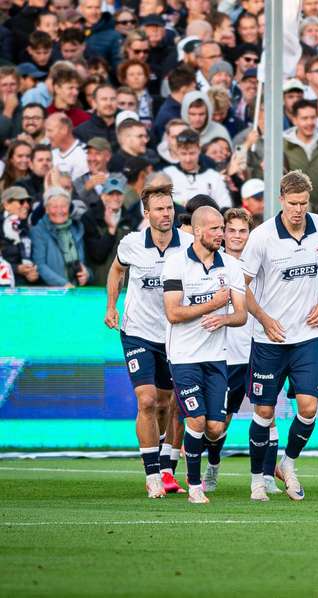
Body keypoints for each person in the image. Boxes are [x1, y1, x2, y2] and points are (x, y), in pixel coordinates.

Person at [240, 170, 318, 502]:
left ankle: (288, 464)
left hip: (308, 336)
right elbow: (243, 286)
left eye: (304, 203)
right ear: (281, 200)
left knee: (308, 407)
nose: (298, 210)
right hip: (270, 340)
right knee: (264, 413)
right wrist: (264, 318)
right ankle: (256, 480)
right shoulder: (262, 237)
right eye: (293, 203)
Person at [103, 181, 193, 498]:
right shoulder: (131, 244)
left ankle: (166, 468)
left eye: (169, 207)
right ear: (147, 213)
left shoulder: (190, 245)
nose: (166, 213)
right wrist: (111, 305)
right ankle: (153, 474)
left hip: (173, 335)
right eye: (159, 209)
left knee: (167, 404)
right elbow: (116, 271)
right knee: (147, 400)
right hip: (138, 330)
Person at [161, 206, 247, 504]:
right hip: (184, 357)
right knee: (196, 420)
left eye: (222, 228)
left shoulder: (231, 267)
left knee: (215, 427)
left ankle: (198, 461)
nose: (221, 234)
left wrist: (224, 318)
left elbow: (241, 315)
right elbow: (173, 313)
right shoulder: (175, 264)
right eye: (215, 229)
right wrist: (212, 304)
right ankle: (195, 485)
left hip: (216, 358)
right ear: (198, 231)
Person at [203, 207, 281, 496]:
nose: (236, 236)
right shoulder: (214, 264)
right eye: (231, 230)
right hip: (227, 355)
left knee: (267, 411)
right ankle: (212, 465)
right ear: (223, 234)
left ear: (251, 234)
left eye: (242, 231)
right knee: (218, 424)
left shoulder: (262, 261)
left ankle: (266, 475)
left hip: (260, 350)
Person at [282, 99, 318, 211]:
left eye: (313, 118)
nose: (310, 122)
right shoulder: (283, 146)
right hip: (293, 210)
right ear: (295, 120)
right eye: (304, 118)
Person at [82, 174, 137, 286]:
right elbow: (97, 255)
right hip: (99, 285)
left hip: (126, 286)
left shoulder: (131, 219)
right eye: (110, 194)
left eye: (119, 194)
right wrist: (111, 230)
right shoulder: (90, 218)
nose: (115, 198)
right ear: (102, 196)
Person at [30, 187, 88, 287]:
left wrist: (87, 274)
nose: (59, 211)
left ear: (69, 208)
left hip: (77, 290)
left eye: (63, 206)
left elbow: (83, 263)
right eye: (54, 207)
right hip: (53, 293)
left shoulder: (77, 228)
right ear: (46, 209)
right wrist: (63, 284)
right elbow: (40, 265)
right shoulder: (39, 230)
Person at [162, 130, 231, 209]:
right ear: (177, 150)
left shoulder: (214, 176)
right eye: (183, 153)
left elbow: (225, 206)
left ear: (199, 149)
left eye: (192, 153)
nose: (188, 159)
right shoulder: (167, 174)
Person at [0, 186, 39, 286]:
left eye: (28, 202)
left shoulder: (24, 228)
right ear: (6, 204)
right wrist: (16, 269)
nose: (26, 205)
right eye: (21, 201)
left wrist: (32, 274)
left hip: (21, 290)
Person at [46, 113, 88, 180]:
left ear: (64, 130)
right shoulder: (49, 153)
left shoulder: (85, 154)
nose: (47, 135)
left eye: (50, 130)